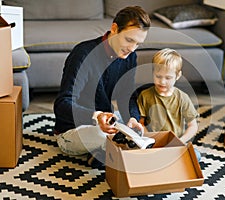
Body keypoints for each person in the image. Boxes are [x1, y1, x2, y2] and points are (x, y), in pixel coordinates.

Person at [53, 6, 151, 165]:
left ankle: (104, 154)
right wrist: (96, 116)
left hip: (105, 124)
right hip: (72, 131)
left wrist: (132, 117)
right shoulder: (83, 54)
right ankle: (110, 152)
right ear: (114, 28)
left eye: (138, 44)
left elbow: (127, 96)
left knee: (142, 126)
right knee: (103, 135)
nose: (132, 48)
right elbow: (62, 104)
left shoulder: (130, 56)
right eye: (129, 40)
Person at [137, 48, 201, 161]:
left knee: (196, 156)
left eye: (168, 78)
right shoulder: (145, 95)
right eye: (158, 76)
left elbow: (193, 126)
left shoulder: (183, 98)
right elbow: (141, 124)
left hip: (176, 145)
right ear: (153, 73)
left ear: (178, 75)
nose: (162, 82)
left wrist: (180, 141)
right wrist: (150, 140)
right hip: (153, 144)